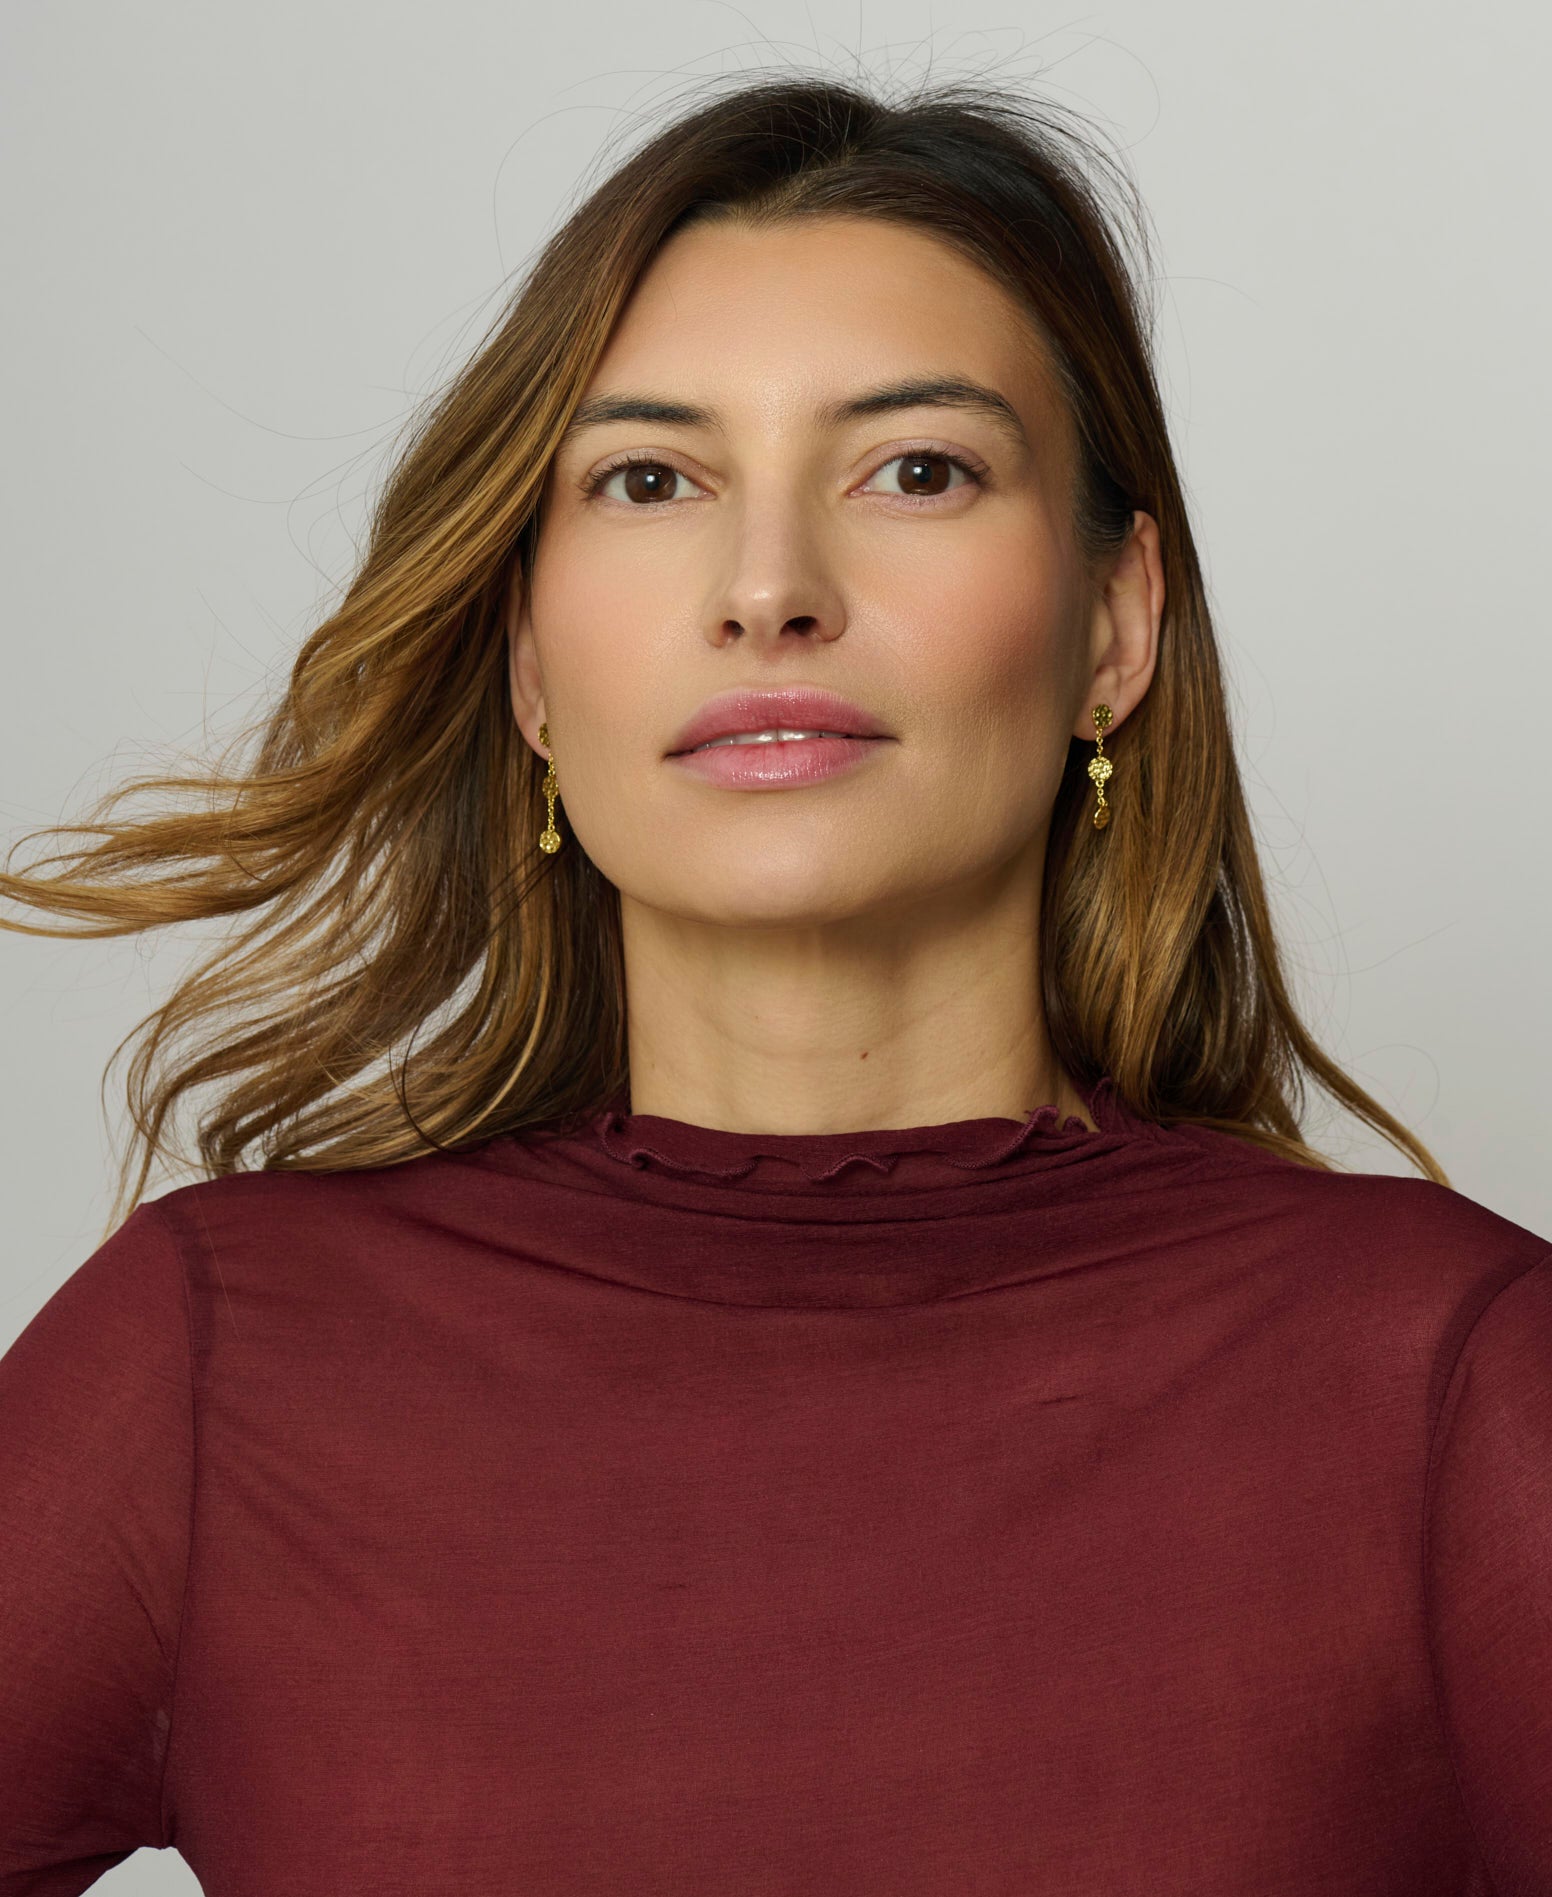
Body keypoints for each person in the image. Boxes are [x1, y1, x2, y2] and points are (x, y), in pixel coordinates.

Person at [1, 67, 1548, 1897]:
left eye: (917, 469)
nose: (768, 589)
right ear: (529, 668)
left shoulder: (1449, 1380)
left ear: (1113, 628)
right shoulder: (217, 1360)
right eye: (651, 478)